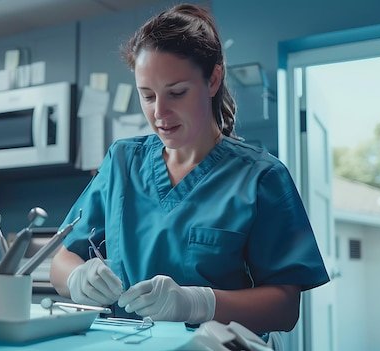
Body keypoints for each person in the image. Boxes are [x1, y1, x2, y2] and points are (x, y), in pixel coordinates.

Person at [50, 3, 329, 335]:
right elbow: (60, 259)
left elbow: (284, 309)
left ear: (213, 79)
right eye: (148, 95)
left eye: (177, 93)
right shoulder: (123, 160)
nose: (159, 113)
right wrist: (76, 278)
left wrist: (198, 303)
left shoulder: (261, 178)